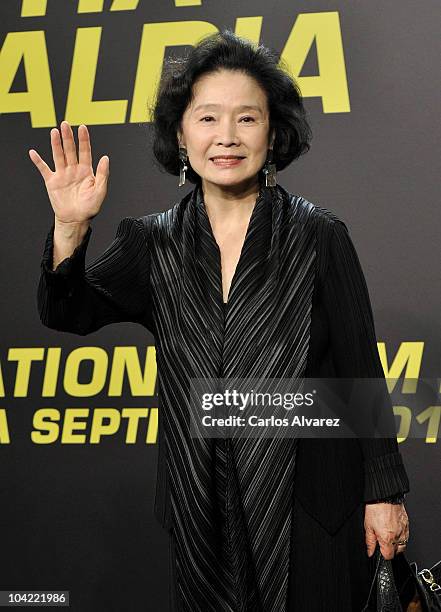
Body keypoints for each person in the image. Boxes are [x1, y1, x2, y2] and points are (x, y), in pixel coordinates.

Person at [31, 29, 410, 612]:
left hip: (313, 507)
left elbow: (362, 375)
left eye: (247, 119)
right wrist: (70, 229)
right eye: (207, 118)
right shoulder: (152, 244)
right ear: (181, 135)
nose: (226, 138)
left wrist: (384, 494)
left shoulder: (319, 236)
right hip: (203, 510)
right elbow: (66, 312)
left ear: (274, 132)